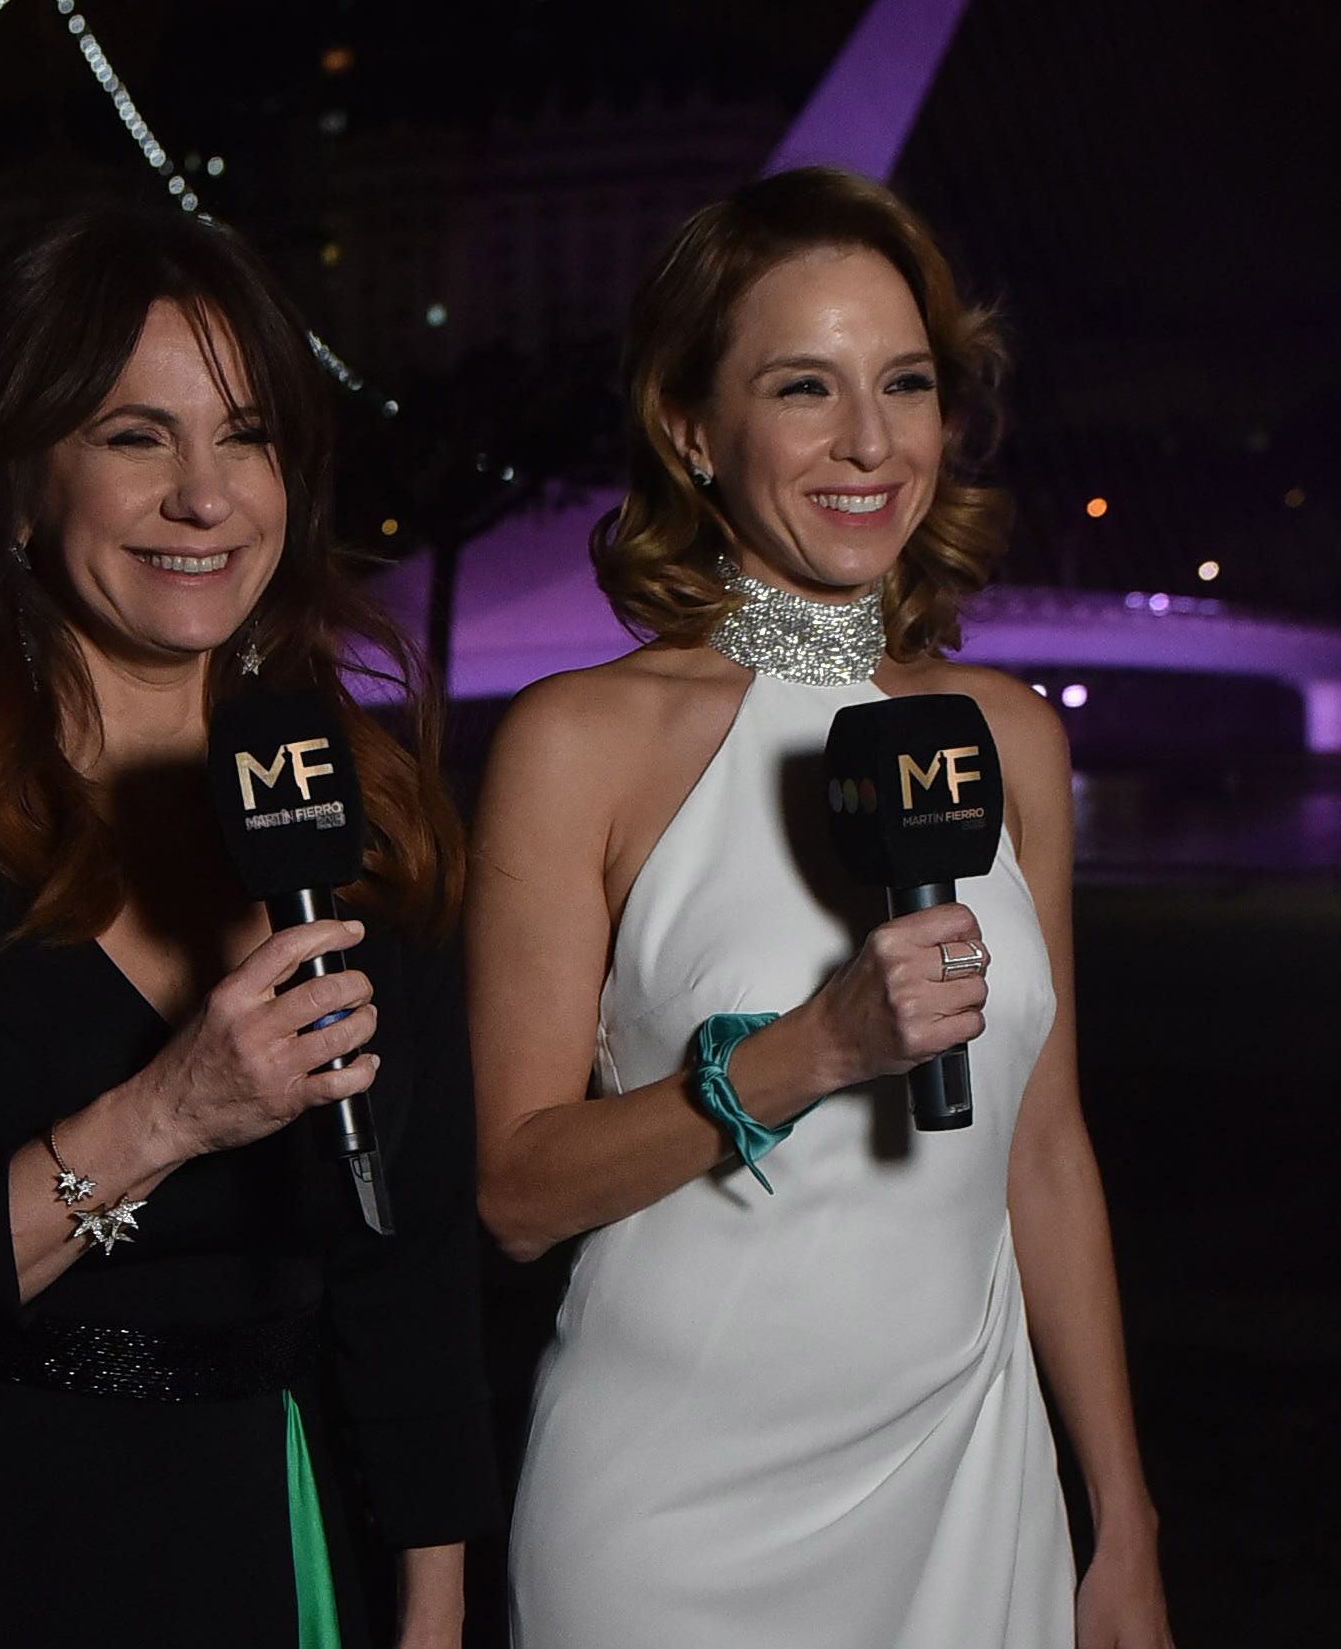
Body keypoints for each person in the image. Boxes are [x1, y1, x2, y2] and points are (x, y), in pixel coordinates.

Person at [0, 208, 494, 1648]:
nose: (204, 497)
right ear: (20, 483)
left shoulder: (363, 823)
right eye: (136, 435)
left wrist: (435, 1609)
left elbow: (412, 1280)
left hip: (254, 1544)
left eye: (248, 436)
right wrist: (168, 1114)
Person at [470, 167, 1175, 1647]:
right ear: (690, 426)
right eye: (805, 386)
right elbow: (517, 1195)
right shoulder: (577, 740)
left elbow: (1045, 1152)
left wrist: (1123, 1517)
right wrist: (813, 1049)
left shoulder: (1010, 734)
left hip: (969, 1484)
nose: (871, 442)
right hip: (674, 1528)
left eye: (905, 383)